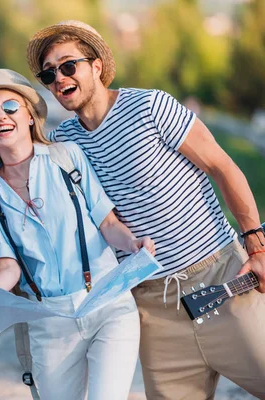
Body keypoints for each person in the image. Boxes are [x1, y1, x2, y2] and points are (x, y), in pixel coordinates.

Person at [26, 20, 265, 399]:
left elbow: (221, 166)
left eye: (68, 65)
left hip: (222, 280)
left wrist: (257, 246)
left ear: (96, 66)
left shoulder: (150, 106)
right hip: (152, 307)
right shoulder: (62, 143)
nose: (59, 78)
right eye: (48, 73)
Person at [0, 68, 155, 400]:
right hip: (49, 321)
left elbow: (108, 225)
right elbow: (9, 266)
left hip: (107, 302)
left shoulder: (66, 158)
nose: (0, 117)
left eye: (10, 107)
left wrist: (135, 243)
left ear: (29, 116)